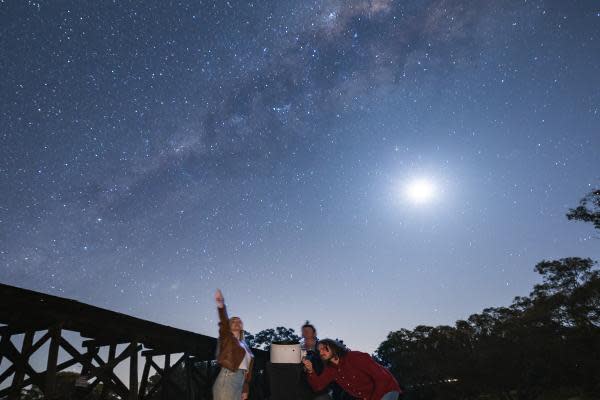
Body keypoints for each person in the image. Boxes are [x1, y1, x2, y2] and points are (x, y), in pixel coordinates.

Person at [302, 339, 402, 400]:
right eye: (319, 351)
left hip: (386, 389)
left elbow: (382, 379)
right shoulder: (330, 369)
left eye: (324, 348)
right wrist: (311, 371)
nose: (321, 352)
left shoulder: (355, 357)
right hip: (368, 396)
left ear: (334, 347)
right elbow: (318, 386)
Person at [213, 289, 254, 400]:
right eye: (233, 321)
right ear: (229, 325)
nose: (237, 323)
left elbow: (246, 370)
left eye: (239, 321)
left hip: (240, 381)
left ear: (242, 326)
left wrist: (245, 388)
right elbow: (224, 322)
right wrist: (221, 306)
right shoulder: (226, 338)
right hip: (228, 378)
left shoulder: (245, 346)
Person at [300, 321, 329, 400]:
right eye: (303, 331)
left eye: (308, 331)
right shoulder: (298, 350)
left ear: (314, 334)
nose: (305, 333)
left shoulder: (323, 348)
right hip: (303, 391)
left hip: (321, 391)